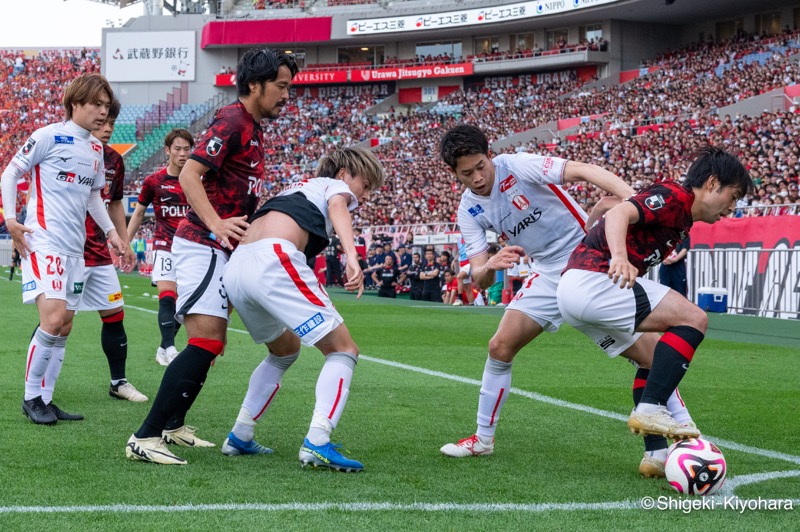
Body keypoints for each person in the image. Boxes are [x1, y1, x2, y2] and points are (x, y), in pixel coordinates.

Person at [437, 125, 695, 478]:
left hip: (587, 260)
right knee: (500, 346)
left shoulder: (518, 165)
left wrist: (636, 201)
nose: (478, 177)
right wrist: (489, 266)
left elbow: (584, 170)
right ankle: (483, 439)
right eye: (467, 173)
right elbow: (477, 275)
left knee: (648, 355)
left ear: (489, 155)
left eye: (481, 166)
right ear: (454, 173)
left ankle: (684, 439)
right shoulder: (468, 211)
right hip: (546, 275)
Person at [125, 48, 298, 465]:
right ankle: (144, 437)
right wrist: (218, 224)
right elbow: (189, 174)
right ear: (255, 84)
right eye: (281, 86)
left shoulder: (254, 126)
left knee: (214, 344)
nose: (287, 95)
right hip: (202, 243)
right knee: (206, 340)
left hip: (223, 249)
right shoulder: (233, 120)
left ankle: (173, 425)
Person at [558, 146, 753, 439]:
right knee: (694, 318)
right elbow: (619, 213)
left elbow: (608, 210)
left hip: (575, 295)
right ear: (712, 183)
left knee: (652, 358)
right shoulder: (675, 196)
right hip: (592, 283)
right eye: (733, 196)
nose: (732, 207)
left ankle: (657, 455)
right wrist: (619, 257)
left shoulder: (682, 220)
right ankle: (651, 407)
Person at [219, 147, 385, 472]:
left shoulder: (295, 188)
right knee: (344, 350)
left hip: (237, 266)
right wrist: (352, 256)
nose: (361, 197)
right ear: (344, 175)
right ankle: (318, 442)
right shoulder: (332, 186)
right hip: (272, 259)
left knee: (284, 350)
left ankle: (240, 433)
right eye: (364, 186)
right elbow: (339, 203)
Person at [1, 73, 127, 425]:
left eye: (106, 106)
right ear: (75, 104)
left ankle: (46, 398)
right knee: (53, 318)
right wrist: (11, 219)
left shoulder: (96, 149)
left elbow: (93, 197)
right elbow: (10, 174)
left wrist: (111, 233)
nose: (103, 112)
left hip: (77, 249)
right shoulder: (47, 136)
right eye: (96, 105)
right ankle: (30, 398)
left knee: (66, 325)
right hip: (45, 241)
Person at [79, 98, 145, 403]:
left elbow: (115, 203)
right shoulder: (65, 151)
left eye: (111, 125)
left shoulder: (114, 161)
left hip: (99, 254)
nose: (107, 129)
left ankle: (118, 382)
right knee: (55, 323)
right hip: (67, 251)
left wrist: (124, 241)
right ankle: (37, 389)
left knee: (115, 315)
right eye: (102, 123)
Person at [127, 128, 193, 366]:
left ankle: (163, 346)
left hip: (192, 249)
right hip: (165, 246)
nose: (183, 154)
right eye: (178, 149)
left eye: (187, 149)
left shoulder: (197, 181)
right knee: (167, 297)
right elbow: (139, 214)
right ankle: (173, 349)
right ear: (167, 151)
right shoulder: (153, 181)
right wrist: (125, 242)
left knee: (185, 304)